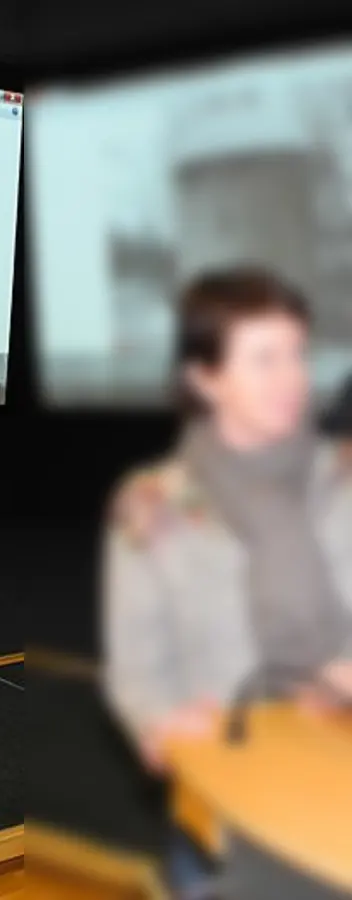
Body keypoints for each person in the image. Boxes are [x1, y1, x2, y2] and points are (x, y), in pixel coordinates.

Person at [101, 268, 352, 900]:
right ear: (205, 378)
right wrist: (160, 722)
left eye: (297, 355)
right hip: (232, 800)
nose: (292, 377)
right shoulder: (155, 502)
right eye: (265, 359)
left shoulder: (340, 482)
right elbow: (138, 672)